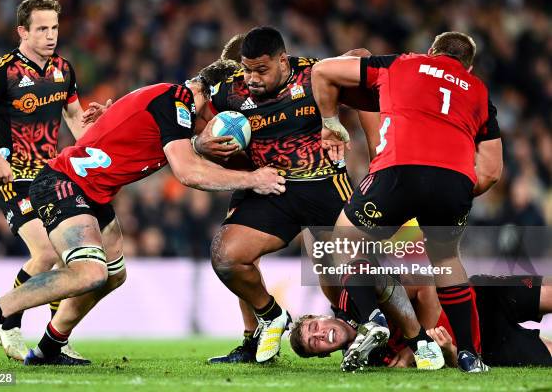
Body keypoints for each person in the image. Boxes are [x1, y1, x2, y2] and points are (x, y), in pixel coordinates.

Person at [0, 61, 286, 366]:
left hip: (93, 192)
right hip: (65, 184)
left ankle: (50, 347)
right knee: (90, 272)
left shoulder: (170, 99)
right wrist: (252, 179)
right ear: (212, 94)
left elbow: (149, 136)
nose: (213, 121)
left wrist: (195, 144)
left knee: (113, 275)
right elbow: (187, 172)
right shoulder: (176, 101)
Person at [193, 27, 405, 364]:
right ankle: (265, 325)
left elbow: (362, 59)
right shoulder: (229, 90)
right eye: (246, 70)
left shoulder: (314, 75)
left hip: (323, 184)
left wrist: (376, 150)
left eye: (260, 70)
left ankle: (396, 338)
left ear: (282, 60)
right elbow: (185, 109)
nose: (252, 79)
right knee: (228, 257)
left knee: (338, 277)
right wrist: (199, 143)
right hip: (269, 187)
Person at [310, 31, 503, 372]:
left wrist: (330, 124)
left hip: (398, 172)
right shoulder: (479, 92)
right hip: (454, 181)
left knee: (344, 240)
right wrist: (451, 191)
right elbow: (490, 171)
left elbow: (323, 71)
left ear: (431, 51)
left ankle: (372, 319)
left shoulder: (404, 63)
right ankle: (470, 355)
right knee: (445, 261)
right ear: (468, 68)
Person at [0, 0, 105, 361]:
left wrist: (93, 145)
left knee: (70, 259)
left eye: (54, 28)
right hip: (14, 179)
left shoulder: (64, 70)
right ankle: (8, 323)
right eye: (42, 29)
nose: (50, 36)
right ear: (22, 31)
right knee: (45, 252)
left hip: (52, 177)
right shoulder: (1, 73)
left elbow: (73, 118)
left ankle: (57, 342)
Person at [291, 275, 552, 368]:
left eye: (315, 327)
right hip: (483, 345)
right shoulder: (368, 361)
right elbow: (442, 364)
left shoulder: (356, 299)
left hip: (479, 295)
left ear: (320, 316)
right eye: (315, 344)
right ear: (324, 355)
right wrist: (449, 354)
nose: (320, 334)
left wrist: (412, 347)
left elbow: (426, 287)